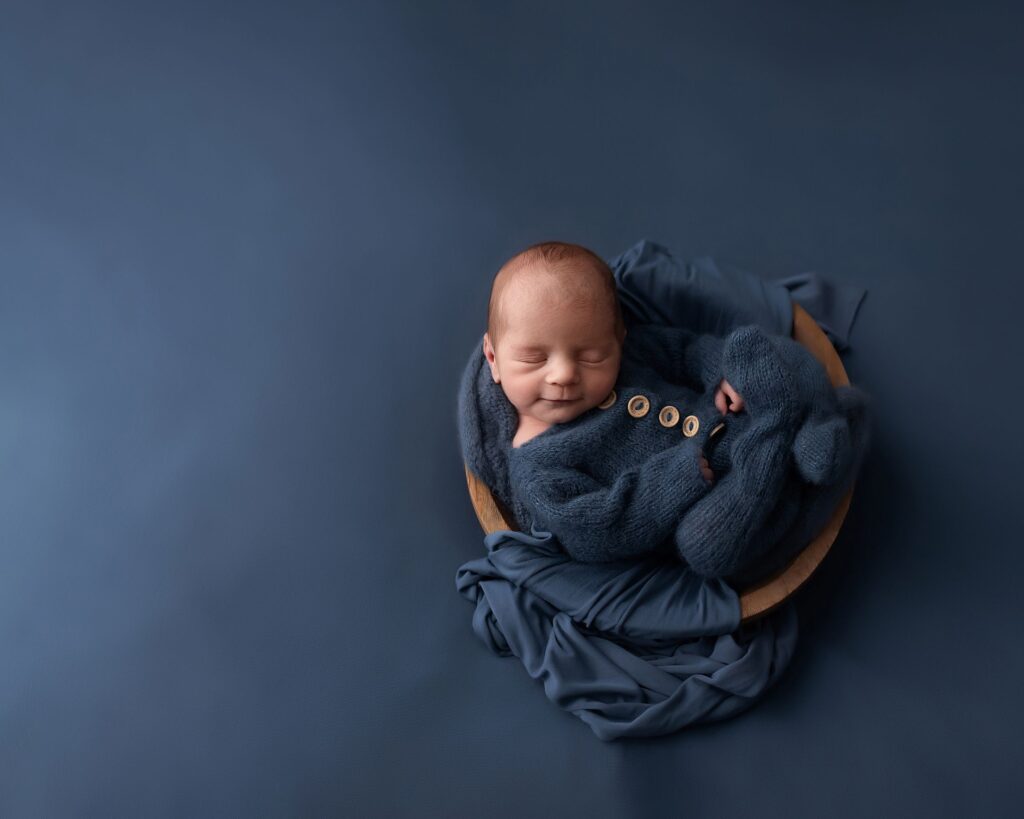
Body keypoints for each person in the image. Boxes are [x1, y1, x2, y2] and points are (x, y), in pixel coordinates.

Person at [479, 240, 867, 580]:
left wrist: (722, 375)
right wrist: (674, 479)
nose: (563, 374)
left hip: (737, 411)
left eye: (591, 356)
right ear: (493, 358)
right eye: (533, 359)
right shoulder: (536, 470)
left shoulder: (631, 353)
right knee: (704, 547)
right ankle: (783, 430)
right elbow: (599, 529)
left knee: (757, 350)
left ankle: (818, 420)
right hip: (724, 498)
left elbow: (686, 351)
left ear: (618, 339)